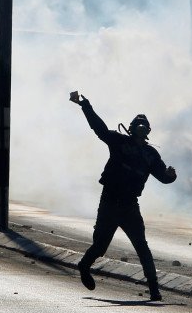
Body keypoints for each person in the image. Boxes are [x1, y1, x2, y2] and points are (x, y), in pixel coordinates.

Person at [70, 91, 176, 301]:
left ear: (148, 131)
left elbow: (163, 177)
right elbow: (99, 129)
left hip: (129, 205)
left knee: (142, 247)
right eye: (138, 124)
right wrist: (85, 105)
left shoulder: (150, 155)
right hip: (110, 200)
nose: (141, 127)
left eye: (144, 125)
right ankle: (84, 266)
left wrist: (171, 176)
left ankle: (154, 289)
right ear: (131, 128)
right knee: (100, 245)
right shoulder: (119, 142)